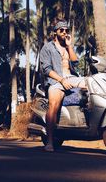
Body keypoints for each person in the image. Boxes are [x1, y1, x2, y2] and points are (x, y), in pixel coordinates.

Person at [40, 19, 86, 152]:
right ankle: (49, 142)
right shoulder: (48, 48)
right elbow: (47, 70)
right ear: (55, 32)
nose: (64, 32)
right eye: (61, 30)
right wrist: (61, 80)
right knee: (53, 105)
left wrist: (70, 45)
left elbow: (76, 63)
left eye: (66, 30)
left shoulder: (67, 47)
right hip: (56, 80)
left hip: (72, 78)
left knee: (93, 86)